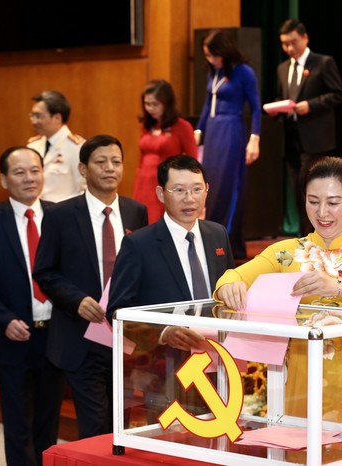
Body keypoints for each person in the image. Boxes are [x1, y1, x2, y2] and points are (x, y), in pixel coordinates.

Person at [215, 156, 342, 430]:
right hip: (301, 370)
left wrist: (334, 285)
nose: (322, 212)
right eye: (313, 201)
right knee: (299, 444)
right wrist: (229, 284)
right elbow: (233, 276)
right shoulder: (285, 252)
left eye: (333, 202)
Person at [34, 135, 148, 439]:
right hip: (80, 336)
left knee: (121, 427)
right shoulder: (60, 215)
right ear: (83, 169)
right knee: (95, 427)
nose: (110, 168)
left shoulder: (137, 212)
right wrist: (76, 300)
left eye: (116, 161)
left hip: (125, 339)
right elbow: (44, 271)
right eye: (101, 162)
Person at [0, 147, 64, 466]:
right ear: (4, 179)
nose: (29, 178)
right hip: (12, 334)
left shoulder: (59, 216)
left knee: (48, 422)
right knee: (17, 423)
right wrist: (4, 318)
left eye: (35, 170)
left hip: (54, 336)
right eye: (20, 172)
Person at [108, 154, 235, 332]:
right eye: (179, 190)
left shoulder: (218, 234)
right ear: (161, 194)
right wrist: (163, 332)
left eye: (197, 189)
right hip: (166, 355)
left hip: (217, 347)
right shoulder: (138, 244)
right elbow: (117, 311)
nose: (189, 198)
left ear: (207, 189)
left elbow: (229, 284)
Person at [274, 19, 342, 236]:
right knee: (296, 187)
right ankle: (305, 234)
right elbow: (282, 95)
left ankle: (314, 233)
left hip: (315, 137)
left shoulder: (322, 63)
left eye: (293, 42)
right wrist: (277, 107)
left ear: (305, 38)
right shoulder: (282, 67)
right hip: (290, 136)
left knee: (309, 186)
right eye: (285, 44)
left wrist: (311, 105)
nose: (289, 48)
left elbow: (338, 94)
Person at [196, 30, 261, 260]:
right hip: (213, 133)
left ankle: (228, 243)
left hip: (232, 131)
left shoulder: (244, 72)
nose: (209, 59)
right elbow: (206, 104)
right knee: (212, 187)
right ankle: (212, 239)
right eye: (206, 55)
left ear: (224, 51)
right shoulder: (214, 72)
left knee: (228, 187)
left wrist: (255, 138)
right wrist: (198, 131)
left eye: (213, 55)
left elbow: (255, 108)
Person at [134, 79, 199, 223]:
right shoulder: (146, 126)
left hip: (166, 183)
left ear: (167, 103)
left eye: (155, 104)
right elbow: (141, 160)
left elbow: (193, 162)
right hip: (143, 183)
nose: (150, 109)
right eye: (147, 104)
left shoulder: (182, 127)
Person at [27, 90, 86, 202]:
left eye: (38, 116)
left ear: (57, 118)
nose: (34, 121)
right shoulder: (33, 146)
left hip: (65, 215)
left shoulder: (77, 147)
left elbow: (84, 189)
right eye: (32, 115)